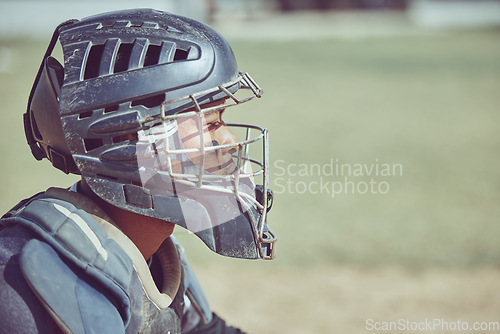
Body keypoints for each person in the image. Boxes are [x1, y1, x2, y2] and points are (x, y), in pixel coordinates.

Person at [0, 8, 277, 334]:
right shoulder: (26, 286)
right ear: (130, 139)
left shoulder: (150, 259)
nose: (230, 141)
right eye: (212, 121)